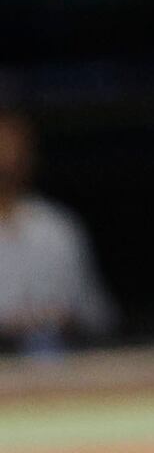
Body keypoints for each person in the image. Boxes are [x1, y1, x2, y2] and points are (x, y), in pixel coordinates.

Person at [0, 107, 115, 352]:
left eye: (14, 148)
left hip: (59, 358)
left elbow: (98, 316)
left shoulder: (57, 227)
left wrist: (66, 319)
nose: (7, 159)